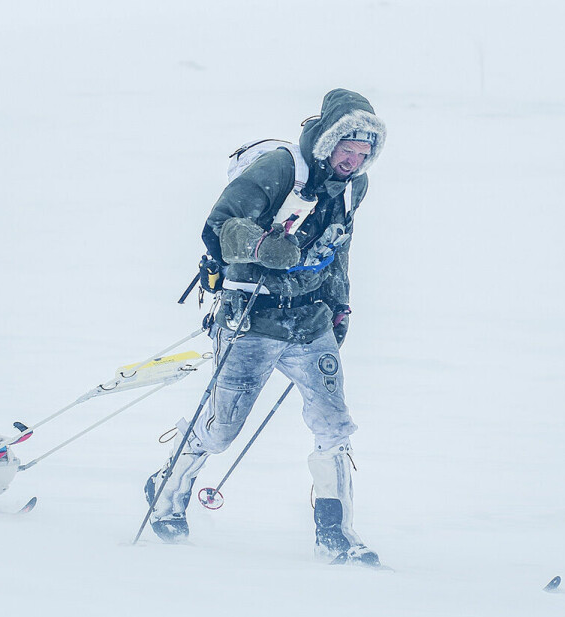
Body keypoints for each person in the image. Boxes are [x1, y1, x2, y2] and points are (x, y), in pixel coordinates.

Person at [144, 88, 387, 565]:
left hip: (311, 321)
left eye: (364, 154)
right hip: (251, 319)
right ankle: (166, 488)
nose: (354, 162)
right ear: (328, 143)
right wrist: (261, 248)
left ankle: (336, 535)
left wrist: (340, 306)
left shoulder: (355, 188)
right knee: (220, 432)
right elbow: (219, 225)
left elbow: (339, 246)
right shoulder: (279, 168)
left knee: (334, 427)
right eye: (348, 150)